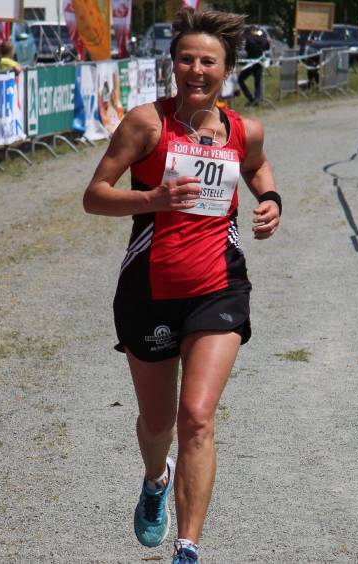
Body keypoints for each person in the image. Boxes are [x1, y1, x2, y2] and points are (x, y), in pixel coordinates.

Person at [81, 8, 281, 564]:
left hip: (219, 285)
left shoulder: (244, 129)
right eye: (186, 59)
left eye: (208, 61)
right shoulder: (148, 123)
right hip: (149, 287)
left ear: (226, 70)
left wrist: (270, 201)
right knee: (158, 422)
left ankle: (187, 548)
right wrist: (153, 200)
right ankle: (154, 477)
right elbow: (94, 195)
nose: (196, 69)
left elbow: (258, 169)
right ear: (172, 65)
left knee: (196, 415)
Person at [238, 26, 268, 106]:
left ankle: (252, 99)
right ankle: (255, 100)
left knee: (240, 79)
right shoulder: (261, 37)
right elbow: (267, 46)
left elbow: (247, 49)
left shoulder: (249, 38)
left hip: (251, 63)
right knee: (257, 82)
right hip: (258, 63)